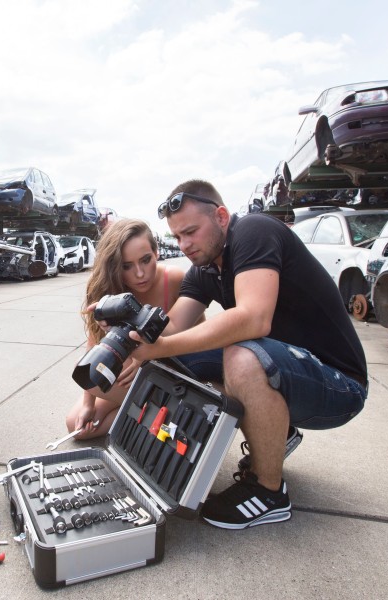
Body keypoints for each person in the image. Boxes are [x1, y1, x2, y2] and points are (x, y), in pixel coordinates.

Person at [129, 179, 367, 530]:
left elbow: (255, 318)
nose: (185, 244)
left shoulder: (253, 231)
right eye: (178, 237)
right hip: (289, 370)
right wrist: (127, 325)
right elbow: (174, 329)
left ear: (222, 216)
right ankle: (275, 433)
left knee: (242, 355)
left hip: (339, 384)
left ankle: (269, 492)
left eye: (191, 231)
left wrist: (161, 346)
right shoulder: (205, 269)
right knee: (175, 359)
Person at [65, 218, 200, 439]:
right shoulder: (109, 290)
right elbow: (95, 345)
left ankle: (152, 417)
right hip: (133, 378)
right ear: (115, 266)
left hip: (174, 369)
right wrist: (88, 403)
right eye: (127, 266)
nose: (140, 273)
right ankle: (148, 417)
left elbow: (195, 335)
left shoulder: (173, 279)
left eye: (146, 260)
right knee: (76, 426)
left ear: (156, 252)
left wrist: (146, 357)